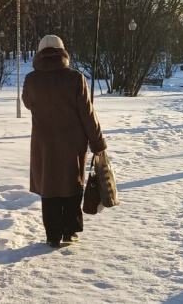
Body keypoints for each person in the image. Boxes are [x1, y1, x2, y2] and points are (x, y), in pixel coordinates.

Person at [22, 35, 107, 248]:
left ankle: (52, 235)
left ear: (39, 54)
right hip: (72, 142)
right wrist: (97, 142)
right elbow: (87, 113)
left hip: (43, 144)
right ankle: (70, 231)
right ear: (63, 53)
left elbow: (28, 104)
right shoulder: (75, 78)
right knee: (72, 184)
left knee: (49, 187)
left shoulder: (31, 79)